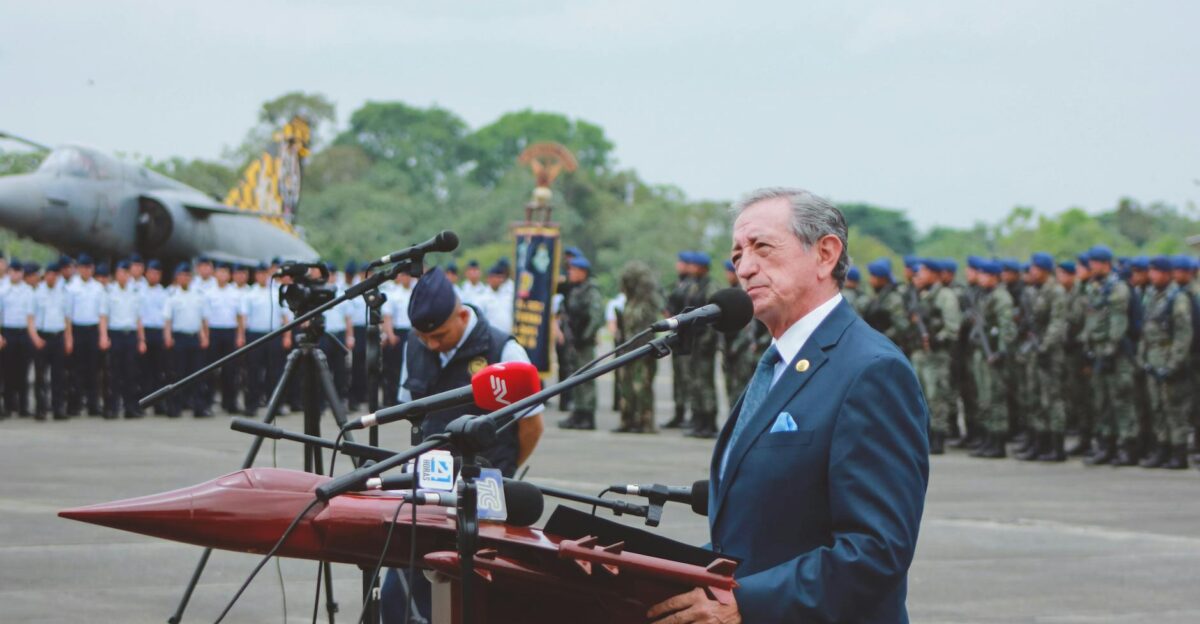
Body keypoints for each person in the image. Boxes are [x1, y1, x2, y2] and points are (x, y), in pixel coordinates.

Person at [650, 188, 928, 623]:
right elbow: (756, 535)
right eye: (738, 253)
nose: (744, 267)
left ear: (825, 254)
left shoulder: (871, 371)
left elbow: (876, 550)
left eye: (762, 247)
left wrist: (746, 603)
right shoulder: (777, 365)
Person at [382, 267, 544, 624]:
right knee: (402, 584)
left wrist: (504, 470)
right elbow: (412, 411)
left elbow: (532, 424)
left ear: (462, 313)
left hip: (482, 488)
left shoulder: (502, 348)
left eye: (440, 335)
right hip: (428, 482)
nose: (433, 345)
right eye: (426, 338)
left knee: (472, 588)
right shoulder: (415, 344)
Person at [1080, 245, 1138, 466]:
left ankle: (1127, 448)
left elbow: (1118, 324)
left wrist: (1109, 351)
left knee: (1121, 401)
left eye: (1095, 263)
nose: (1091, 267)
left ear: (1105, 264)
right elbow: (1092, 320)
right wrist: (1088, 349)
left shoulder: (1117, 289)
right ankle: (1107, 445)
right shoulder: (1095, 287)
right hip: (1098, 352)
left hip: (1116, 354)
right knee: (1102, 402)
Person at [1137, 256, 1193, 469]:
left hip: (1170, 363)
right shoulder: (1153, 296)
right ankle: (1163, 449)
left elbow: (1183, 336)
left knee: (1174, 410)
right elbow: (1146, 329)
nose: (1152, 275)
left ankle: (1178, 453)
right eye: (1151, 271)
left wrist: (1174, 364)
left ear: (1167, 274)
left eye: (1157, 271)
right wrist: (1142, 357)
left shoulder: (1177, 299)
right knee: (1157, 408)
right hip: (1153, 361)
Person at [910, 259, 962, 454]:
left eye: (923, 271)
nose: (919, 275)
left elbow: (952, 328)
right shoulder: (921, 295)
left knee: (936, 395)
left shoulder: (945, 296)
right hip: (920, 354)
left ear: (934, 274)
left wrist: (936, 339)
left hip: (937, 354)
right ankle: (925, 435)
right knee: (921, 396)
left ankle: (939, 436)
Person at [968, 261, 1017, 459]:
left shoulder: (1001, 297)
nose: (980, 278)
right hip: (982, 351)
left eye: (984, 275)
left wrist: (1001, 352)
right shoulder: (984, 295)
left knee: (996, 398)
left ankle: (998, 442)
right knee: (985, 397)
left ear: (994, 277)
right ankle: (988, 438)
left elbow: (1007, 328)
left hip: (994, 353)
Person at [614, 261, 662, 433]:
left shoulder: (647, 304)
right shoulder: (629, 302)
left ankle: (645, 421)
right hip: (628, 350)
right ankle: (627, 419)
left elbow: (648, 330)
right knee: (626, 386)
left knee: (642, 387)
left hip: (643, 351)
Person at [557, 256, 604, 430]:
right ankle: (577, 412)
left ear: (583, 272)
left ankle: (587, 415)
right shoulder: (574, 290)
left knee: (586, 378)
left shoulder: (591, 291)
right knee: (575, 376)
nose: (570, 273)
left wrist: (586, 336)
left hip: (584, 342)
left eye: (573, 270)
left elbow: (597, 316)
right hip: (574, 340)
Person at [240, 262, 290, 417]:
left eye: (265, 273)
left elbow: (285, 316)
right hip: (255, 335)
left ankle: (275, 404)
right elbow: (243, 317)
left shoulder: (276, 292)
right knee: (253, 371)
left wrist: (287, 336)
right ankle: (251, 405)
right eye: (259, 274)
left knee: (274, 371)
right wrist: (241, 336)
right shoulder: (250, 293)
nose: (262, 277)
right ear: (256, 276)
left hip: (274, 335)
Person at [163, 263, 209, 417]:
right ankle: (175, 407)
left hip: (194, 337)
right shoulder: (172, 295)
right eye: (182, 275)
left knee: (197, 374)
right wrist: (168, 337)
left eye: (187, 276)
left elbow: (203, 319)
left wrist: (205, 336)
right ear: (177, 277)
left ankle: (199, 407)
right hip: (179, 338)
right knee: (177, 374)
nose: (184, 278)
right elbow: (168, 320)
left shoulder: (198, 295)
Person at [100, 261, 145, 419]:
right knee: (113, 373)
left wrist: (141, 340)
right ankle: (111, 407)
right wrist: (104, 336)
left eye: (126, 273)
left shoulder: (135, 291)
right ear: (116, 274)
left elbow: (139, 319)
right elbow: (104, 317)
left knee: (131, 374)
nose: (123, 276)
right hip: (115, 335)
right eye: (120, 272)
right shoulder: (109, 292)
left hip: (131, 335)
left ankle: (130, 407)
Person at [203, 262, 243, 414]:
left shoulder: (235, 292)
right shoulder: (209, 293)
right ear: (215, 274)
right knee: (210, 370)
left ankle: (230, 402)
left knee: (231, 370)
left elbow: (240, 317)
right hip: (213, 332)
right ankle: (208, 402)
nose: (222, 275)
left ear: (229, 275)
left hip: (230, 332)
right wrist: (206, 335)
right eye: (220, 272)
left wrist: (240, 335)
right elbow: (205, 318)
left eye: (225, 272)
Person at [33, 262, 71, 420]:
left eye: (55, 274)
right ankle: (40, 408)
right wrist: (35, 337)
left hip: (58, 336)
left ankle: (58, 408)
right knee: (40, 376)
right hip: (42, 336)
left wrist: (69, 339)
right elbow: (30, 318)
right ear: (45, 275)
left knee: (58, 375)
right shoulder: (37, 292)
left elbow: (67, 318)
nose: (51, 277)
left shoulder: (63, 292)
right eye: (49, 273)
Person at [662, 251, 695, 429]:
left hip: (689, 337)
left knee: (688, 377)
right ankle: (679, 412)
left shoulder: (693, 286)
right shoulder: (678, 284)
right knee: (678, 377)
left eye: (682, 263)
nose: (679, 266)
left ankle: (691, 414)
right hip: (677, 336)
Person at [69, 254, 105, 416]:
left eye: (89, 267)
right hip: (77, 330)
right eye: (83, 267)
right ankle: (76, 404)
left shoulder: (98, 288)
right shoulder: (71, 288)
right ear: (78, 269)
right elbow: (67, 316)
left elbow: (102, 315)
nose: (86, 270)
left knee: (93, 369)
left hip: (92, 330)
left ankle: (93, 404)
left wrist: (102, 335)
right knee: (77, 369)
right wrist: (69, 336)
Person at [1, 261, 35, 416]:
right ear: (9, 272)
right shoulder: (2, 290)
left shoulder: (28, 291)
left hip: (24, 333)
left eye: (19, 271)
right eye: (13, 271)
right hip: (8, 332)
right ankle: (9, 405)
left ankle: (23, 406)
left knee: (23, 370)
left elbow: (31, 316)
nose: (16, 274)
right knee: (8, 370)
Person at [138, 260, 169, 414]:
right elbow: (139, 317)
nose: (154, 276)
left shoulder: (164, 293)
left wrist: (166, 336)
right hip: (145, 332)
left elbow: (166, 318)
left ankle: (158, 404)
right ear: (146, 274)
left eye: (157, 273)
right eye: (151, 273)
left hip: (158, 333)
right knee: (144, 370)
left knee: (159, 370)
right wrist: (141, 338)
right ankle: (144, 402)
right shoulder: (139, 291)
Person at [381, 271, 415, 407]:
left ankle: (408, 397)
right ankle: (391, 398)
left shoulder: (415, 292)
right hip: (398, 333)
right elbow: (387, 317)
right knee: (394, 368)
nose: (406, 278)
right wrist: (390, 334)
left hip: (412, 332)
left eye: (408, 275)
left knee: (411, 366)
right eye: (404, 275)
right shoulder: (394, 294)